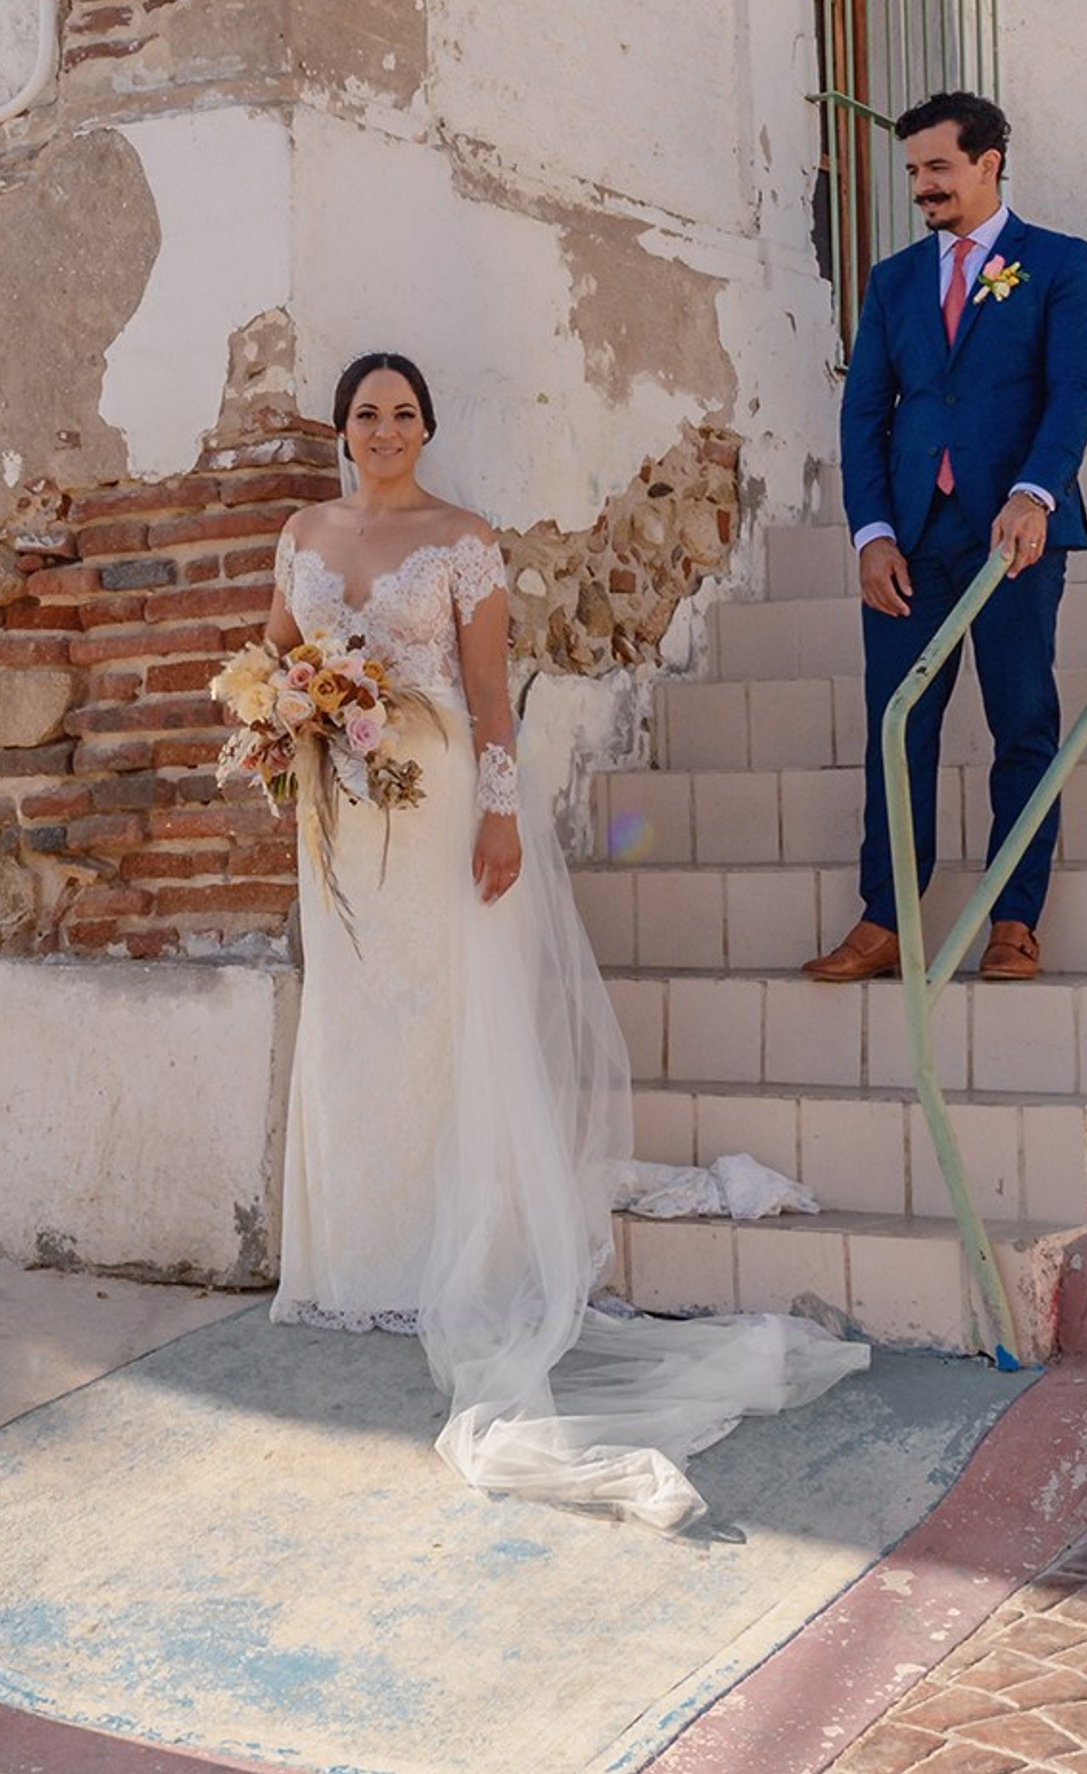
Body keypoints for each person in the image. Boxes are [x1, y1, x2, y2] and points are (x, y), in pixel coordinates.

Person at [260, 352, 865, 1531]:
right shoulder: (300, 530)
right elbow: (275, 652)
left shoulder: (462, 537)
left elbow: (491, 699)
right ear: (340, 429)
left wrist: (497, 815)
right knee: (351, 1023)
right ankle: (351, 1263)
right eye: (365, 414)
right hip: (338, 819)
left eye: (403, 412)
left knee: (444, 1021)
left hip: (435, 810)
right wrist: (279, 713)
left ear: (426, 426)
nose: (384, 429)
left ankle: (450, 1252)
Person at [806, 92, 1087, 986]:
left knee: (1023, 724)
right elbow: (864, 415)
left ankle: (1014, 917)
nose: (922, 186)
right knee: (898, 726)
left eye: (937, 168)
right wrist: (873, 534)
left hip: (1014, 535)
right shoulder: (891, 281)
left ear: (988, 162)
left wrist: (1036, 494)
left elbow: (1071, 393)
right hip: (911, 539)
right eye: (913, 171)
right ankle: (887, 918)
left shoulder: (1060, 266)